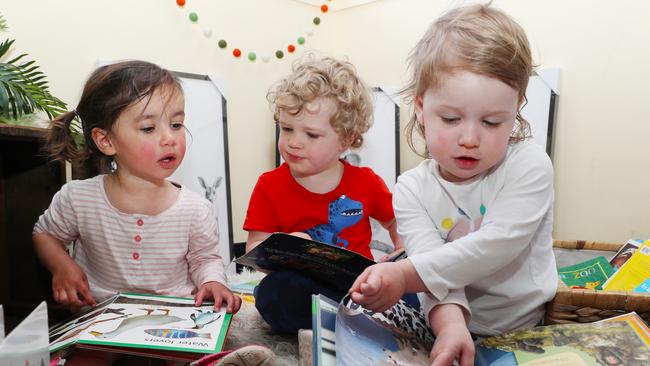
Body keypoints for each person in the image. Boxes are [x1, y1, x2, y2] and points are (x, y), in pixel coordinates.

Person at [349, 3, 558, 365]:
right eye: (450, 118)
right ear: (420, 108)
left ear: (517, 109)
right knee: (362, 318)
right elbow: (433, 265)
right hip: (440, 314)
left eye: (492, 122)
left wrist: (403, 274)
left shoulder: (529, 165)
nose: (470, 138)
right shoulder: (411, 188)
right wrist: (450, 326)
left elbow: (494, 246)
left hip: (519, 328)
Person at [33, 60, 241, 315]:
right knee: (90, 357)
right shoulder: (78, 198)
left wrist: (212, 282)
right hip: (100, 320)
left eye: (176, 125)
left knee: (186, 356)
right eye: (148, 128)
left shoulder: (196, 209)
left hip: (174, 318)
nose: (169, 138)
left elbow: (205, 259)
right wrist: (62, 266)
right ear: (106, 140)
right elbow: (45, 235)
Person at [244, 55, 404, 333]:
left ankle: (348, 320)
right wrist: (283, 246)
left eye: (312, 135)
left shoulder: (365, 182)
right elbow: (254, 248)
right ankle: (326, 326)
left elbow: (395, 220)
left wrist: (401, 250)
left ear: (346, 139)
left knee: (399, 291)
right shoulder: (269, 185)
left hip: (356, 285)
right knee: (273, 293)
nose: (294, 142)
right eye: (287, 129)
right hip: (300, 282)